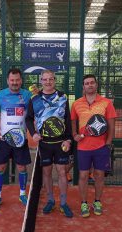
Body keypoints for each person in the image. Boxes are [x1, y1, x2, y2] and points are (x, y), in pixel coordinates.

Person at [26, 69, 74, 218]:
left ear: (55, 80)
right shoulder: (34, 99)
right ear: (41, 81)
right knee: (46, 173)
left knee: (61, 172)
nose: (48, 82)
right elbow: (28, 119)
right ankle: (50, 200)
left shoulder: (63, 97)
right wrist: (33, 133)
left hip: (61, 143)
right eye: (45, 79)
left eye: (50, 79)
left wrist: (68, 138)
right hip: (44, 143)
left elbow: (67, 119)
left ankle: (64, 203)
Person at [71, 74, 116, 218]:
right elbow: (73, 122)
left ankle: (97, 201)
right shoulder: (76, 103)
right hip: (83, 147)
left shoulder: (106, 103)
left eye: (92, 83)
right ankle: (84, 203)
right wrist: (74, 135)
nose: (89, 85)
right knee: (83, 175)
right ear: (83, 87)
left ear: (96, 85)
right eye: (86, 83)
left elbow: (111, 125)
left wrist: (108, 142)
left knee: (99, 175)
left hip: (101, 147)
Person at [0, 68, 32, 210]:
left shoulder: (27, 95)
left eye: (17, 80)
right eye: (12, 80)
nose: (15, 82)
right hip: (3, 139)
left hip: (20, 139)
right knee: (1, 167)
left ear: (21, 80)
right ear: (8, 80)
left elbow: (33, 114)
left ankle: (22, 194)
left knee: (22, 167)